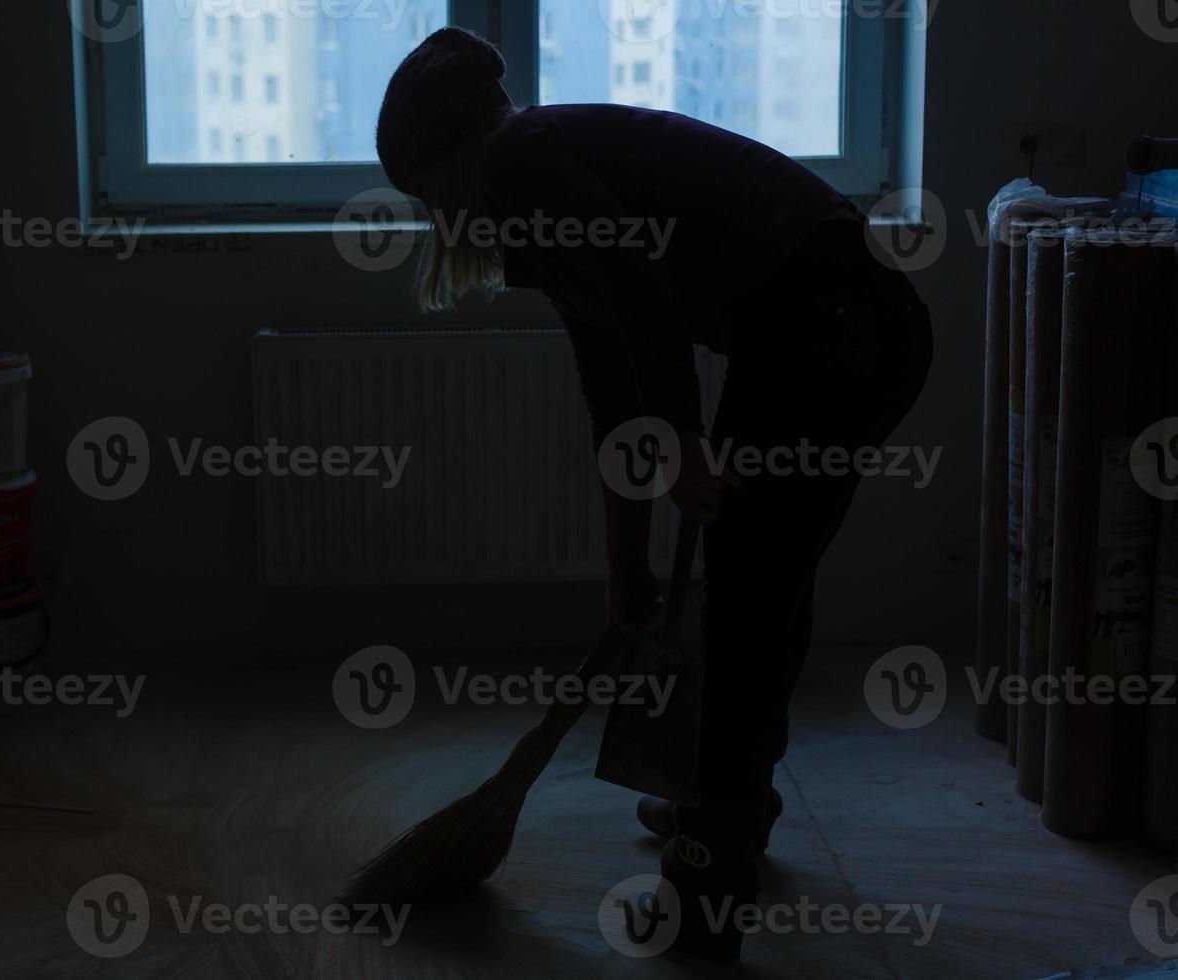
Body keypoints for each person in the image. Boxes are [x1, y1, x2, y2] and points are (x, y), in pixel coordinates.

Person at [375, 28, 932, 961]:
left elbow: (642, 297)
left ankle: (706, 888)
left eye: (426, 193)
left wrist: (680, 438)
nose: (436, 219)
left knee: (750, 596)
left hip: (837, 334)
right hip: (829, 337)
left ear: (452, 160)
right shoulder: (546, 199)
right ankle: (729, 808)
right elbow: (613, 396)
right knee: (758, 585)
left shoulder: (524, 159)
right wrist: (625, 565)